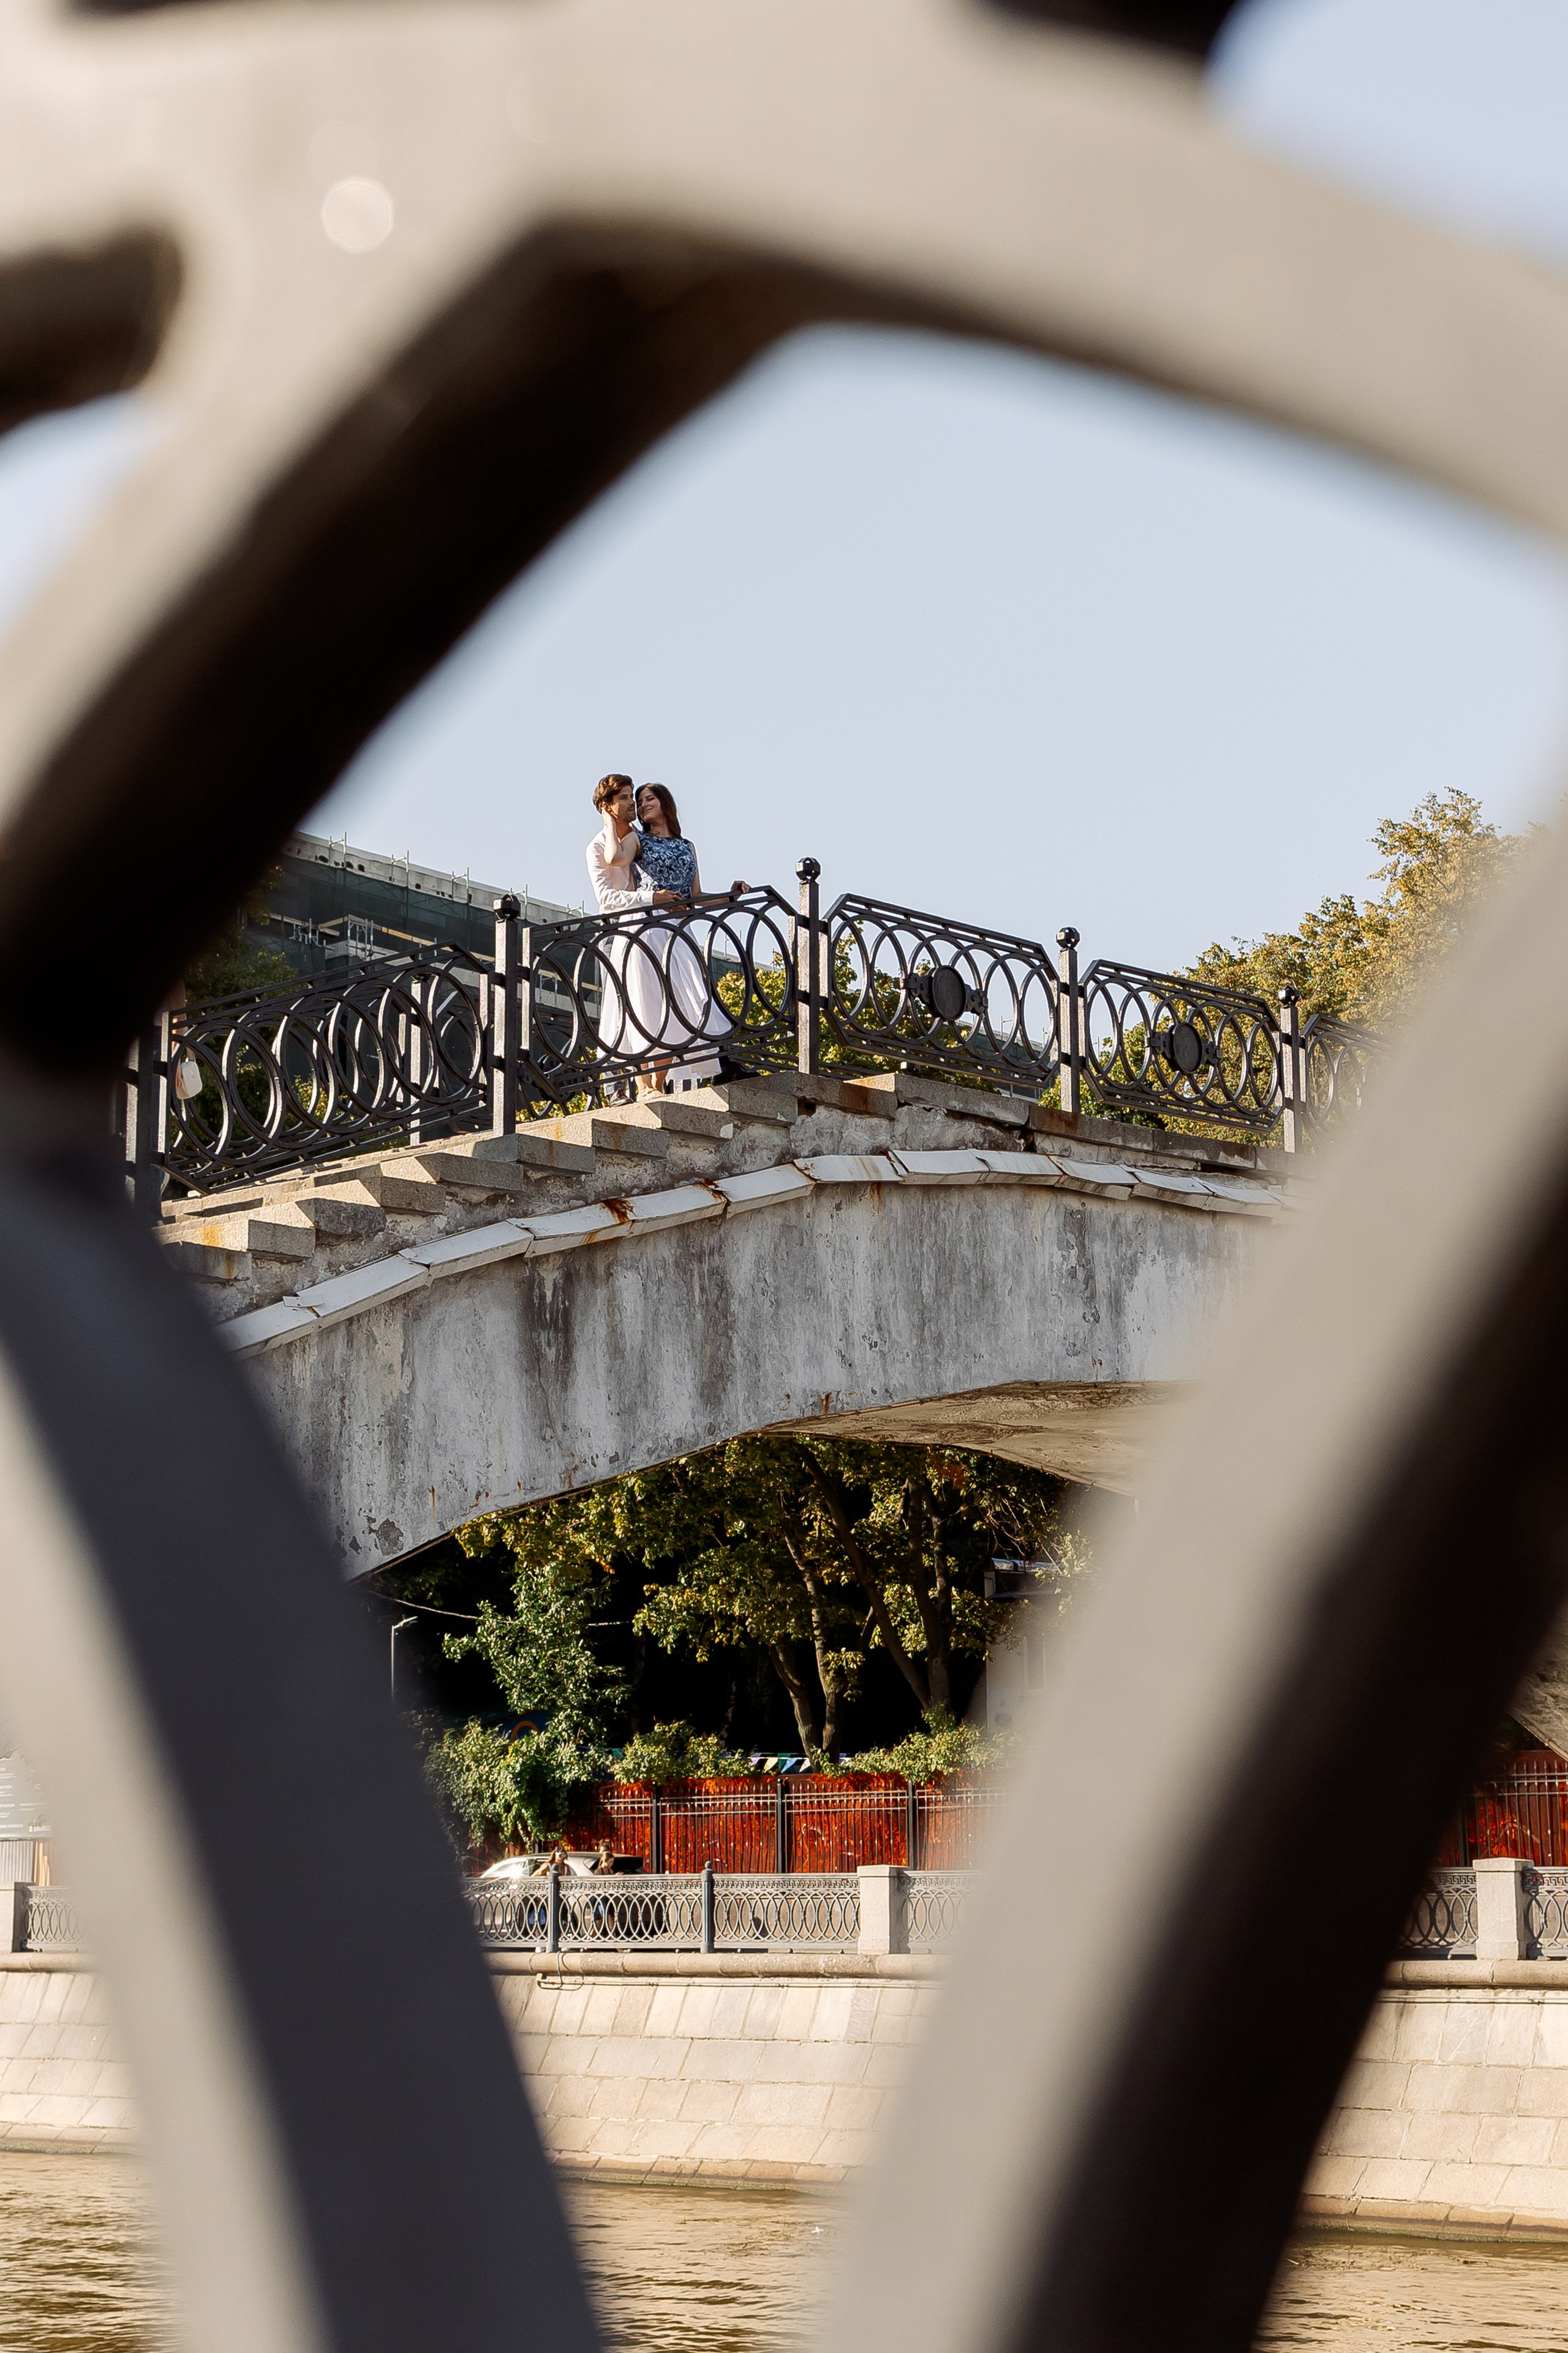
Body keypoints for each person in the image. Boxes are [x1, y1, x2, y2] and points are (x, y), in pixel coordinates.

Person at [629, 782, 749, 1092]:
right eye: (639, 801)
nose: (643, 805)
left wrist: (730, 896)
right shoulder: (638, 840)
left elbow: (696, 896)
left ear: (665, 802)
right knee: (652, 1000)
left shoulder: (687, 846)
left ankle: (713, 1066)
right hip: (651, 924)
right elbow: (619, 868)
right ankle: (648, 1085)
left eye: (649, 799)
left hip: (682, 929)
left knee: (692, 1000)